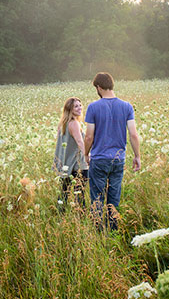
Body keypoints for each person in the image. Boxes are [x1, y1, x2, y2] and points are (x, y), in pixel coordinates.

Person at [83, 72, 141, 231]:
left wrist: (86, 154)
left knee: (97, 198)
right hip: (118, 159)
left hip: (99, 159)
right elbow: (134, 134)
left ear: (99, 87)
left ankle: (98, 232)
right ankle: (113, 231)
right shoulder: (127, 106)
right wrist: (137, 156)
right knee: (114, 197)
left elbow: (89, 137)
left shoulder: (93, 107)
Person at [52, 97, 88, 210]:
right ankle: (80, 215)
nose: (79, 108)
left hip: (66, 165)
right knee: (79, 193)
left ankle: (59, 213)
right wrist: (87, 156)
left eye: (80, 105)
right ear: (70, 109)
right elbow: (80, 142)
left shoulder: (63, 124)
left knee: (63, 192)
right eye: (76, 106)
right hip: (78, 164)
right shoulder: (74, 124)